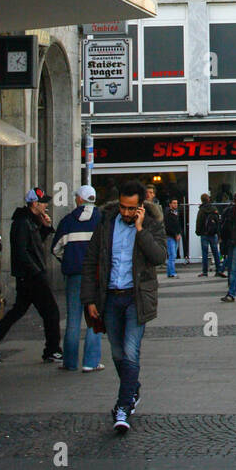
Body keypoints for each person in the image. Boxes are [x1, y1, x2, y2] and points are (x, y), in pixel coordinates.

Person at [81, 179, 167, 434]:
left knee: (130, 352)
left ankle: (123, 405)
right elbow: (90, 262)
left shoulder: (151, 225)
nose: (127, 213)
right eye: (123, 207)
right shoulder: (106, 224)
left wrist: (141, 230)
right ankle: (133, 389)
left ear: (141, 206)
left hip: (136, 298)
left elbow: (159, 257)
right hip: (110, 298)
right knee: (117, 353)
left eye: (132, 209)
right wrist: (90, 300)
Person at [0, 189, 62, 365]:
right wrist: (36, 272)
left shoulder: (30, 221)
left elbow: (34, 244)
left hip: (29, 275)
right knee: (51, 312)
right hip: (31, 276)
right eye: (43, 202)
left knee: (17, 311)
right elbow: (21, 251)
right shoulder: (22, 222)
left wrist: (46, 227)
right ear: (34, 204)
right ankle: (52, 350)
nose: (46, 205)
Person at [51, 185, 104, 372]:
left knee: (73, 319)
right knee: (94, 317)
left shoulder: (67, 221)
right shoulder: (102, 219)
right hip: (96, 275)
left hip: (74, 273)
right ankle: (91, 362)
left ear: (80, 199)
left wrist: (68, 259)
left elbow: (56, 248)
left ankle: (70, 361)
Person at [196, 194, 222, 278]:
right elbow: (218, 222)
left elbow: (199, 222)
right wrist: (219, 234)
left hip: (204, 234)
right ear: (209, 199)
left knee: (205, 253)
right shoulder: (214, 209)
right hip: (213, 233)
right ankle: (218, 270)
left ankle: (205, 271)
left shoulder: (202, 210)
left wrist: (198, 232)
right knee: (215, 252)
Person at [162, 198, 182, 277]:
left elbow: (178, 225)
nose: (175, 205)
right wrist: (175, 234)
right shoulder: (168, 214)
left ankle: (169, 273)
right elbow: (168, 226)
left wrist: (179, 233)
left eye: (176, 203)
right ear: (170, 204)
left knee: (172, 255)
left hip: (175, 236)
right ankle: (172, 272)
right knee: (172, 255)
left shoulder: (176, 213)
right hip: (170, 236)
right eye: (173, 203)